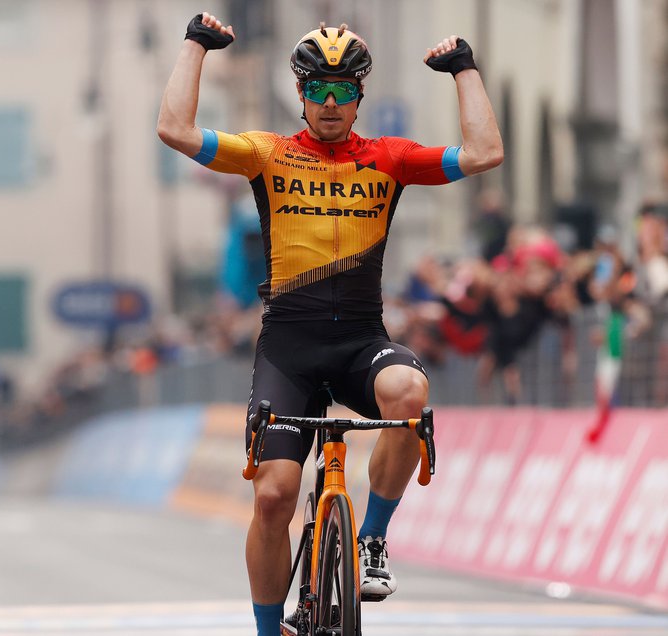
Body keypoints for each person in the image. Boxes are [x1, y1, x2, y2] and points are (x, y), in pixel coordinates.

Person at [157, 12, 502, 635]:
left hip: (360, 341)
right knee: (272, 497)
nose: (332, 103)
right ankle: (268, 630)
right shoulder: (267, 154)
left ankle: (370, 541)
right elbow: (174, 129)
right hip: (288, 349)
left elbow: (485, 153)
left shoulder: (390, 159)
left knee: (410, 395)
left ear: (361, 95)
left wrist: (464, 69)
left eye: (345, 91)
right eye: (319, 90)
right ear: (300, 93)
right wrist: (194, 45)